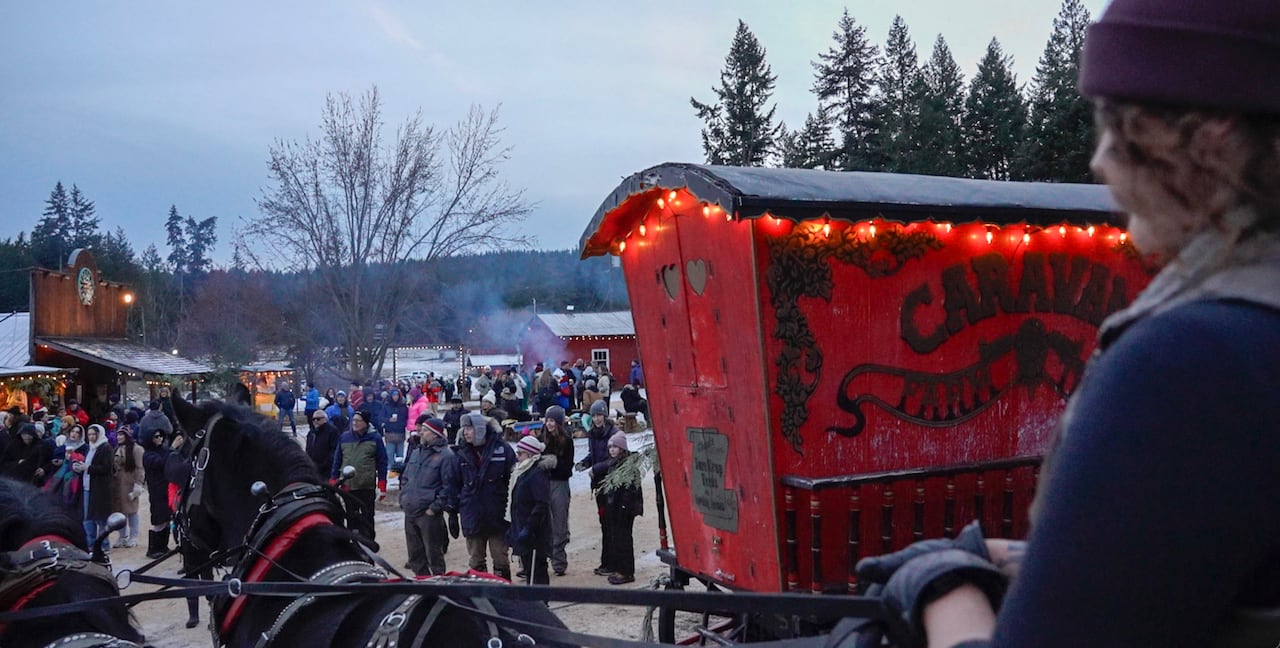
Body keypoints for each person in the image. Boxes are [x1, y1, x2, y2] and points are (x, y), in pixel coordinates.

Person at [852, 3, 1280, 647]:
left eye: (1123, 126)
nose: (1101, 161)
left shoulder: (1189, 363)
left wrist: (943, 588)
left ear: (1216, 132)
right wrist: (1030, 557)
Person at [449, 412, 515, 579]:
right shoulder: (460, 453)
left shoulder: (502, 449)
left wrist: (515, 509)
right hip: (472, 513)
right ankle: (481, 597)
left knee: (500, 557)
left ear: (479, 430)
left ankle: (504, 596)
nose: (465, 432)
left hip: (497, 514)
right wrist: (451, 512)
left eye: (469, 428)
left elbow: (514, 480)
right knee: (476, 560)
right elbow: (453, 483)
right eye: (464, 428)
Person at [400, 416, 456, 576]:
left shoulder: (446, 456)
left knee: (434, 555)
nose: (421, 433)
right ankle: (422, 587)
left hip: (428, 514)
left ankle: (439, 587)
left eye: (424, 430)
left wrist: (434, 508)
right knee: (415, 556)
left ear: (435, 434)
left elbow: (449, 486)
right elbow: (406, 477)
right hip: (410, 510)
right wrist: (403, 497)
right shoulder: (417, 452)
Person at [591, 432, 642, 585]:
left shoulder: (628, 467)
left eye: (615, 447)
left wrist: (624, 508)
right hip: (615, 509)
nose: (612, 450)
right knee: (617, 540)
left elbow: (630, 490)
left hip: (624, 510)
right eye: (610, 447)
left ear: (622, 448)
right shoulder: (614, 464)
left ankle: (626, 572)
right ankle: (619, 569)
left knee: (624, 541)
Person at [574, 399, 618, 576]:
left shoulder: (613, 433)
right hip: (598, 485)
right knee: (604, 524)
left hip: (610, 484)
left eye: (599, 415)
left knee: (611, 525)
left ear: (605, 415)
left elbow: (614, 458)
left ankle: (612, 562)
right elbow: (595, 454)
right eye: (594, 415)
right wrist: (585, 463)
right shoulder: (593, 433)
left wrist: (596, 468)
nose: (597, 418)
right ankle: (606, 561)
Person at [330, 410, 388, 540]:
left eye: (358, 420)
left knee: (367, 515)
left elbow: (382, 462)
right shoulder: (344, 437)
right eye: (353, 420)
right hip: (348, 486)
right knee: (351, 516)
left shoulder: (375, 438)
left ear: (366, 423)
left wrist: (382, 485)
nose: (355, 423)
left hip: (366, 485)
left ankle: (369, 540)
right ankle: (353, 541)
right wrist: (333, 479)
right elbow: (337, 459)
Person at [507, 435, 552, 585]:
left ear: (530, 454)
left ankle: (541, 601)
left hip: (535, 532)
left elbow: (541, 504)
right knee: (529, 569)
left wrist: (529, 528)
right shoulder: (522, 471)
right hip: (522, 526)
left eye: (520, 453)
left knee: (537, 569)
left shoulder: (537, 473)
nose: (517, 457)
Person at [541, 405, 574, 576]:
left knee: (559, 522)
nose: (549, 424)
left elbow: (567, 469)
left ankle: (559, 561)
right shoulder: (542, 439)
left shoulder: (567, 441)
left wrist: (553, 463)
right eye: (547, 420)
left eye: (552, 420)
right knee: (544, 522)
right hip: (544, 484)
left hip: (560, 484)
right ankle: (543, 559)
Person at [80, 423, 114, 547]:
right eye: (89, 434)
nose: (91, 437)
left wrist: (88, 468)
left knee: (101, 518)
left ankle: (104, 544)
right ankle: (91, 543)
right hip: (87, 486)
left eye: (94, 434)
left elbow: (106, 467)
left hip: (100, 488)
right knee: (88, 518)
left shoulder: (105, 448)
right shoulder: (90, 448)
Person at [141, 425, 172, 558]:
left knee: (166, 518)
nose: (159, 439)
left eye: (160, 436)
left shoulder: (164, 450)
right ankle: (153, 549)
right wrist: (174, 447)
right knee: (159, 519)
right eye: (156, 437)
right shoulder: (148, 454)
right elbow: (160, 463)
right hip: (157, 490)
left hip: (167, 489)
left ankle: (163, 547)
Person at [112, 429, 145, 548]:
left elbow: (139, 468)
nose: (119, 437)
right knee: (119, 511)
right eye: (118, 435)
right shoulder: (116, 448)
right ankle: (122, 536)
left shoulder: (136, 449)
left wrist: (138, 483)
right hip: (117, 482)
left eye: (121, 435)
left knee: (132, 511)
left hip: (130, 482)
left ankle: (133, 536)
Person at [305, 411, 340, 479]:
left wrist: (324, 465)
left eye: (318, 419)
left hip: (327, 470)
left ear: (325, 419)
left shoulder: (332, 431)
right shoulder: (311, 433)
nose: (315, 421)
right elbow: (308, 449)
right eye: (313, 419)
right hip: (313, 469)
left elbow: (334, 451)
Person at [383, 389, 409, 469]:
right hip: (390, 432)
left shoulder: (403, 406)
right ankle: (391, 469)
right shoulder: (386, 405)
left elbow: (406, 418)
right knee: (390, 453)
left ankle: (399, 469)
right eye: (394, 395)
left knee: (400, 454)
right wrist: (388, 420)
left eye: (397, 395)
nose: (395, 397)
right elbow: (381, 417)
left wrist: (402, 424)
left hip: (400, 432)